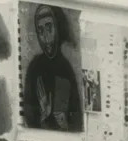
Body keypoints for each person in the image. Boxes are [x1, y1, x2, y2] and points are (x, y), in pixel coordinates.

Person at [23, 4, 83, 132]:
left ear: (58, 28)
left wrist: (65, 125)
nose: (45, 37)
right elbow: (27, 114)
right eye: (40, 31)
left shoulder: (67, 70)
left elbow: (77, 121)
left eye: (49, 28)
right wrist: (42, 117)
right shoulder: (34, 68)